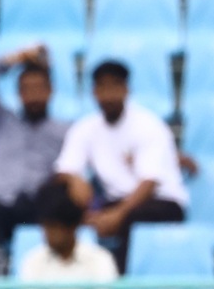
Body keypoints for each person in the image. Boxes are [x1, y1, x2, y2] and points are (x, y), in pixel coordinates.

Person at [55, 60, 188, 272]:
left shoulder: (149, 125)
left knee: (132, 219)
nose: (108, 95)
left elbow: (149, 183)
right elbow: (64, 169)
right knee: (56, 202)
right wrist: (73, 180)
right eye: (102, 88)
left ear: (126, 90)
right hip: (115, 202)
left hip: (162, 202)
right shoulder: (86, 127)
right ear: (94, 92)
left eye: (114, 87)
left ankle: (119, 287)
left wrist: (118, 214)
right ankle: (64, 279)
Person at [0, 45, 70, 248]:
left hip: (39, 206)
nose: (33, 96)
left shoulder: (66, 131)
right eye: (27, 89)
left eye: (39, 89)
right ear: (18, 93)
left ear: (51, 91)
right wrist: (17, 58)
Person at [16, 180, 118, 289]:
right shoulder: (32, 260)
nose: (49, 235)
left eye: (55, 227)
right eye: (46, 227)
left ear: (72, 227)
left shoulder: (100, 259)